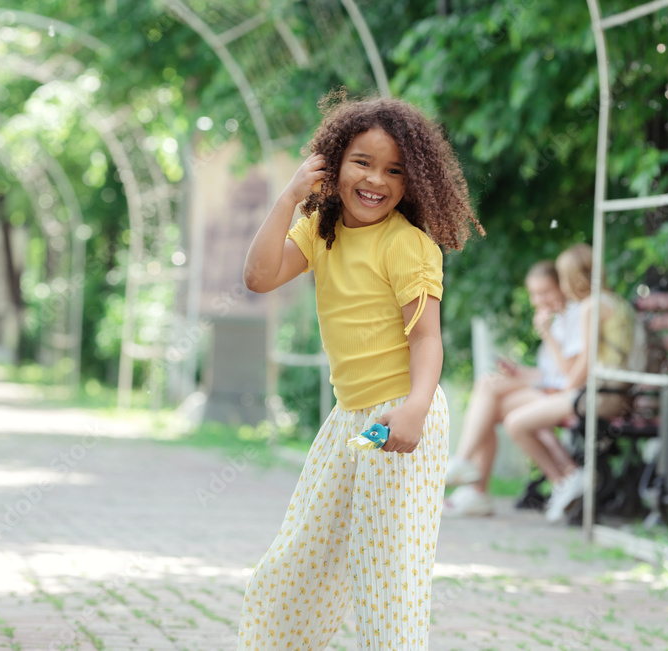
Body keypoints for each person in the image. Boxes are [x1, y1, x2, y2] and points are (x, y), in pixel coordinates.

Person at [237, 91, 483, 649]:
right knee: (294, 562)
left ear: (412, 181)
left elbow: (427, 339)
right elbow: (258, 277)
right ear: (334, 163)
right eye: (363, 162)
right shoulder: (321, 231)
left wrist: (415, 410)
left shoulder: (408, 245)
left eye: (395, 170)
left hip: (400, 416)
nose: (377, 180)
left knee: (387, 581)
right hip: (353, 423)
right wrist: (290, 196)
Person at [503, 243, 635, 522]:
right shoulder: (615, 302)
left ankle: (569, 479)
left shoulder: (590, 307)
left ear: (574, 278)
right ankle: (569, 480)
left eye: (563, 278)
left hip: (599, 396)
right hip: (618, 393)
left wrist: (558, 394)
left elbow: (580, 370)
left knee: (515, 422)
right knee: (521, 417)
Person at [442, 261, 584, 517]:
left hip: (564, 394)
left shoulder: (573, 317)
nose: (538, 299)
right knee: (488, 393)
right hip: (551, 388)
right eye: (534, 294)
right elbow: (547, 372)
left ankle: (472, 479)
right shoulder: (556, 320)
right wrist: (518, 373)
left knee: (488, 396)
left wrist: (547, 335)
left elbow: (568, 374)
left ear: (561, 287)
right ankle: (473, 486)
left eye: (545, 292)